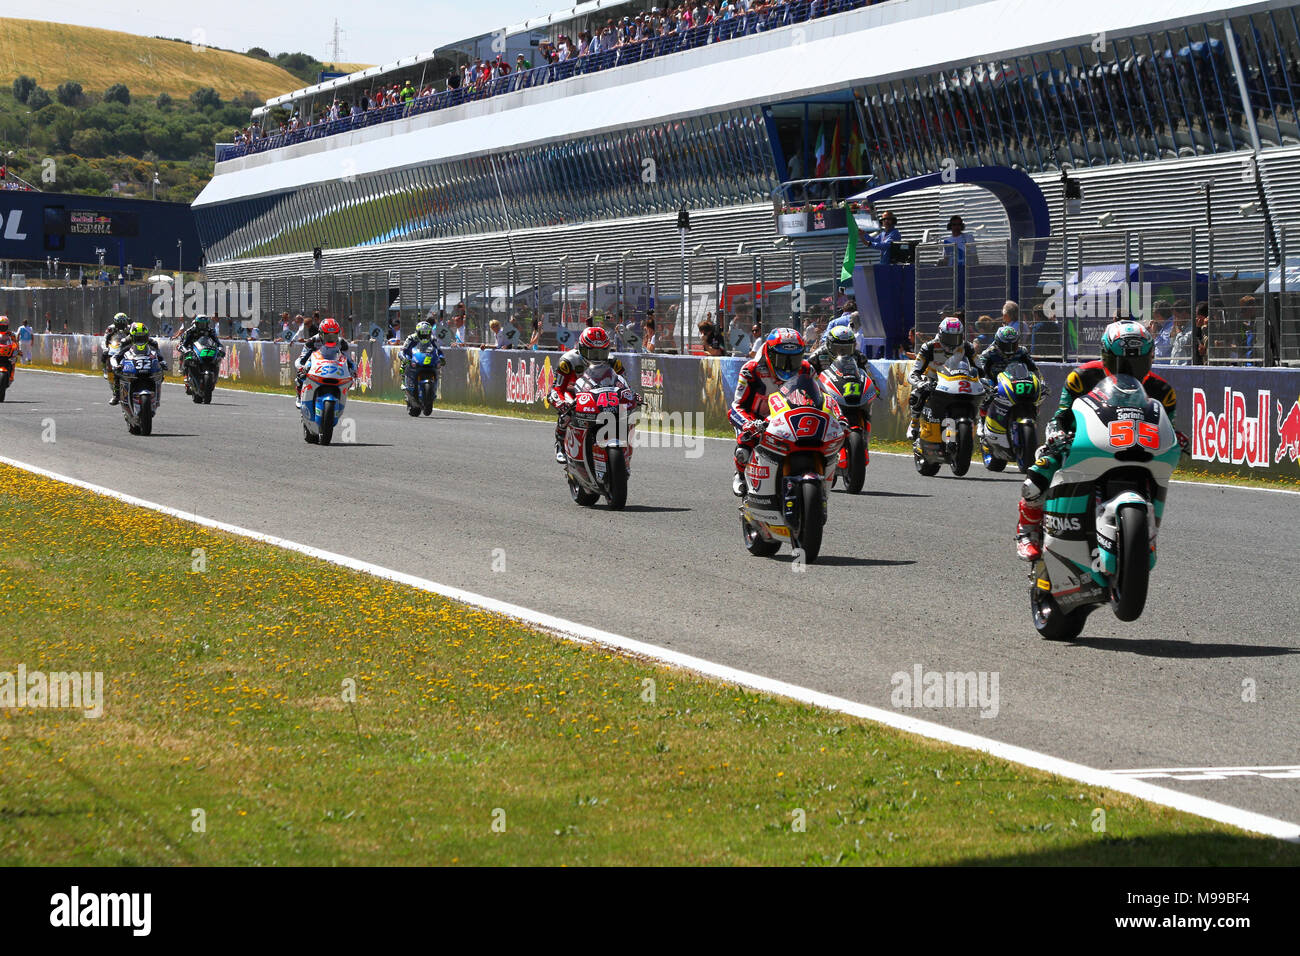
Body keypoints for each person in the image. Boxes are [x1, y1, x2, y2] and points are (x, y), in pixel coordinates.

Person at [1014, 320, 1189, 561]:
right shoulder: (1082, 377)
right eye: (1122, 363)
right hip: (1081, 442)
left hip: (1134, 447)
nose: (1129, 370)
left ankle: (1141, 535)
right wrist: (1056, 431)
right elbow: (1061, 415)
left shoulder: (1162, 390)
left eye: (1137, 362)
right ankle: (1027, 531)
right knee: (1038, 475)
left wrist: (1176, 437)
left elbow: (1166, 424)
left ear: (1150, 358)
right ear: (1105, 357)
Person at [729, 327, 814, 497]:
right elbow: (736, 407)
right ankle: (740, 474)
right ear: (769, 353)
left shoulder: (806, 369)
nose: (789, 365)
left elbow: (821, 398)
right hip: (758, 420)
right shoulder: (751, 370)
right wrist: (748, 424)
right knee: (744, 448)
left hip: (793, 417)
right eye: (782, 359)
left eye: (794, 359)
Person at [547, 327, 636, 464]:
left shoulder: (613, 362)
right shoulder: (567, 361)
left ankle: (625, 451)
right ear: (582, 349)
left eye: (602, 353)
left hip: (603, 394)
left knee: (625, 414)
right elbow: (557, 389)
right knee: (566, 414)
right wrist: (561, 402)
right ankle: (560, 444)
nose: (598, 358)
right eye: (593, 353)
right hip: (574, 394)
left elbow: (625, 385)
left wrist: (631, 396)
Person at [907, 316, 978, 441]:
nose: (952, 342)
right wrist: (920, 383)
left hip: (959, 379)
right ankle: (914, 422)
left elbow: (980, 368)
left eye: (955, 338)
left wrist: (982, 380)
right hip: (934, 380)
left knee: (984, 393)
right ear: (940, 334)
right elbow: (914, 372)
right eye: (949, 338)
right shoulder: (928, 347)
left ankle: (979, 421)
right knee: (917, 394)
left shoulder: (967, 347)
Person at [294, 318, 355, 407]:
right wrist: (301, 367)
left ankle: (340, 397)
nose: (330, 339)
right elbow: (302, 357)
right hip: (316, 363)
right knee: (300, 376)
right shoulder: (312, 341)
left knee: (349, 380)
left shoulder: (342, 343)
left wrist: (353, 369)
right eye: (327, 336)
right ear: (321, 334)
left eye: (333, 336)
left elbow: (348, 359)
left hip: (334, 365)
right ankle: (299, 396)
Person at [109, 322, 167, 403]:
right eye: (138, 338)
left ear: (147, 336)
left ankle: (155, 393)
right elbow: (118, 356)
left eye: (143, 337)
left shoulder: (152, 343)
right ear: (132, 337)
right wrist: (117, 366)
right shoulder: (125, 342)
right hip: (131, 362)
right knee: (117, 374)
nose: (141, 340)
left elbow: (158, 354)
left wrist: (163, 362)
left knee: (161, 373)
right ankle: (116, 395)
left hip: (147, 363)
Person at [177, 315, 225, 395]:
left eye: (204, 324)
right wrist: (185, 350)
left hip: (206, 349)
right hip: (193, 349)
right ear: (196, 323)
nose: (203, 326)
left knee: (217, 359)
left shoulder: (210, 331)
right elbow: (184, 344)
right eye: (201, 324)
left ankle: (213, 378)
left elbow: (217, 342)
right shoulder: (191, 331)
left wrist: (220, 349)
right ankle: (186, 374)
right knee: (188, 358)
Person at [399, 320, 445, 400]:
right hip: (413, 357)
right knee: (404, 364)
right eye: (422, 333)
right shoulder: (411, 338)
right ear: (417, 332)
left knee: (437, 367)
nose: (424, 336)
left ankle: (434, 388)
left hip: (426, 357)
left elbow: (439, 350)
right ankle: (404, 381)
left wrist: (441, 358)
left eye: (426, 333)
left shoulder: (433, 339)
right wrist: (404, 358)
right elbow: (403, 350)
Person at [101, 312, 132, 403]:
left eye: (123, 323)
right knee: (104, 355)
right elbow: (104, 339)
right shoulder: (111, 329)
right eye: (119, 323)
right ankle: (105, 370)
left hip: (126, 348)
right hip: (115, 347)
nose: (121, 325)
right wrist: (105, 348)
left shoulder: (130, 328)